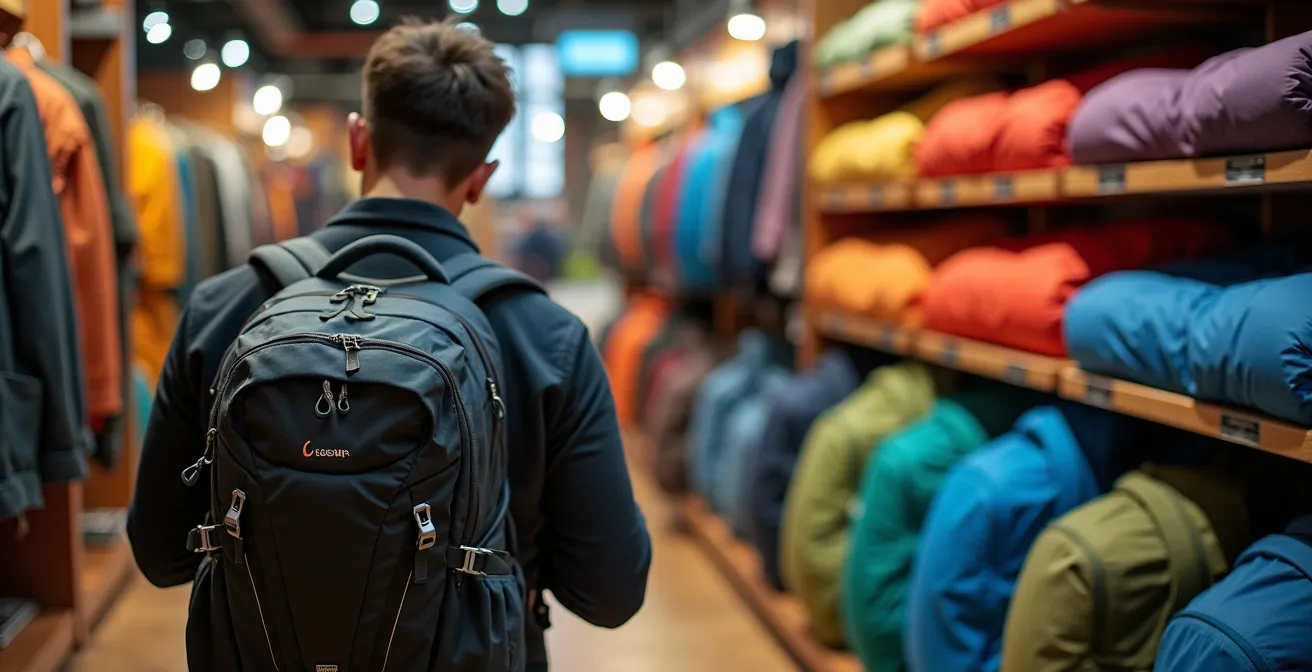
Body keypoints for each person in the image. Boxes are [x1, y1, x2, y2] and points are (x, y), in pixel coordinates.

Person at [127, 18, 652, 671]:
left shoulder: (224, 308)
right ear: (482, 177)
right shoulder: (546, 336)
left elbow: (160, 554)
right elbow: (610, 591)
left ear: (357, 141)